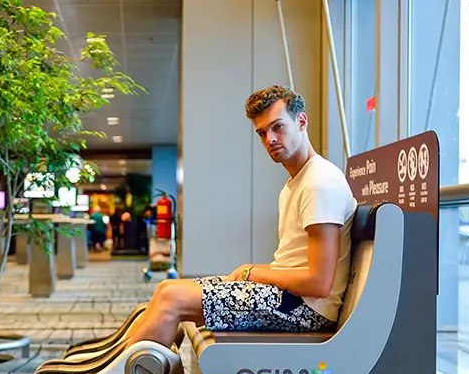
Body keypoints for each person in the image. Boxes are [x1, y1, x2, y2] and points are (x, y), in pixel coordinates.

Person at [125, 85, 358, 348]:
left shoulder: (320, 183)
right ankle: (124, 369)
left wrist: (253, 273)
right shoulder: (296, 183)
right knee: (165, 290)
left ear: (301, 121)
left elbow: (319, 283)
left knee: (172, 299)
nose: (270, 139)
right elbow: (292, 265)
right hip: (288, 299)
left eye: (278, 127)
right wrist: (250, 272)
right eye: (262, 133)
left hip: (307, 310)